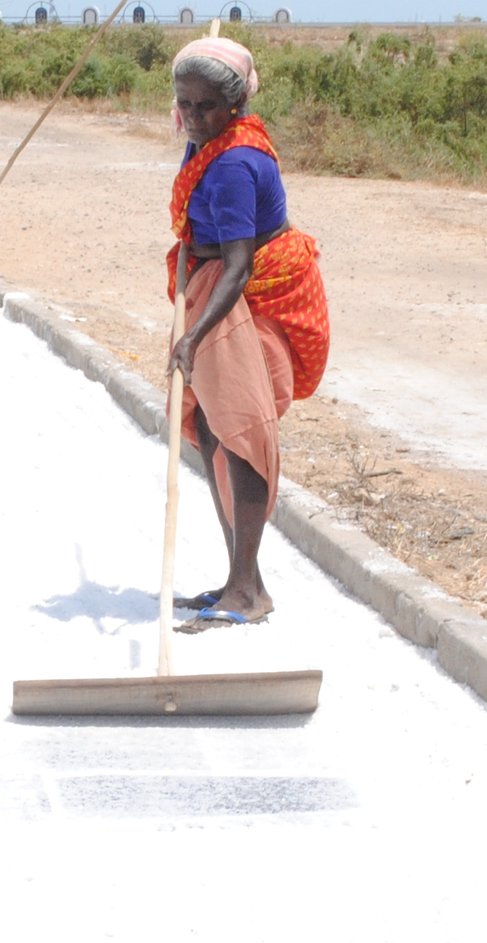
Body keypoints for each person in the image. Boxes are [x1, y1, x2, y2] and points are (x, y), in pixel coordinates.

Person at [166, 36, 330, 633]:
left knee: (240, 431)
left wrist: (191, 338)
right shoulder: (206, 143)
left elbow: (237, 266)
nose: (193, 116)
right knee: (214, 425)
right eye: (184, 103)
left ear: (235, 106)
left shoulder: (234, 164)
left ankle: (245, 591)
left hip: (252, 297)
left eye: (206, 106)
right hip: (221, 289)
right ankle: (246, 580)